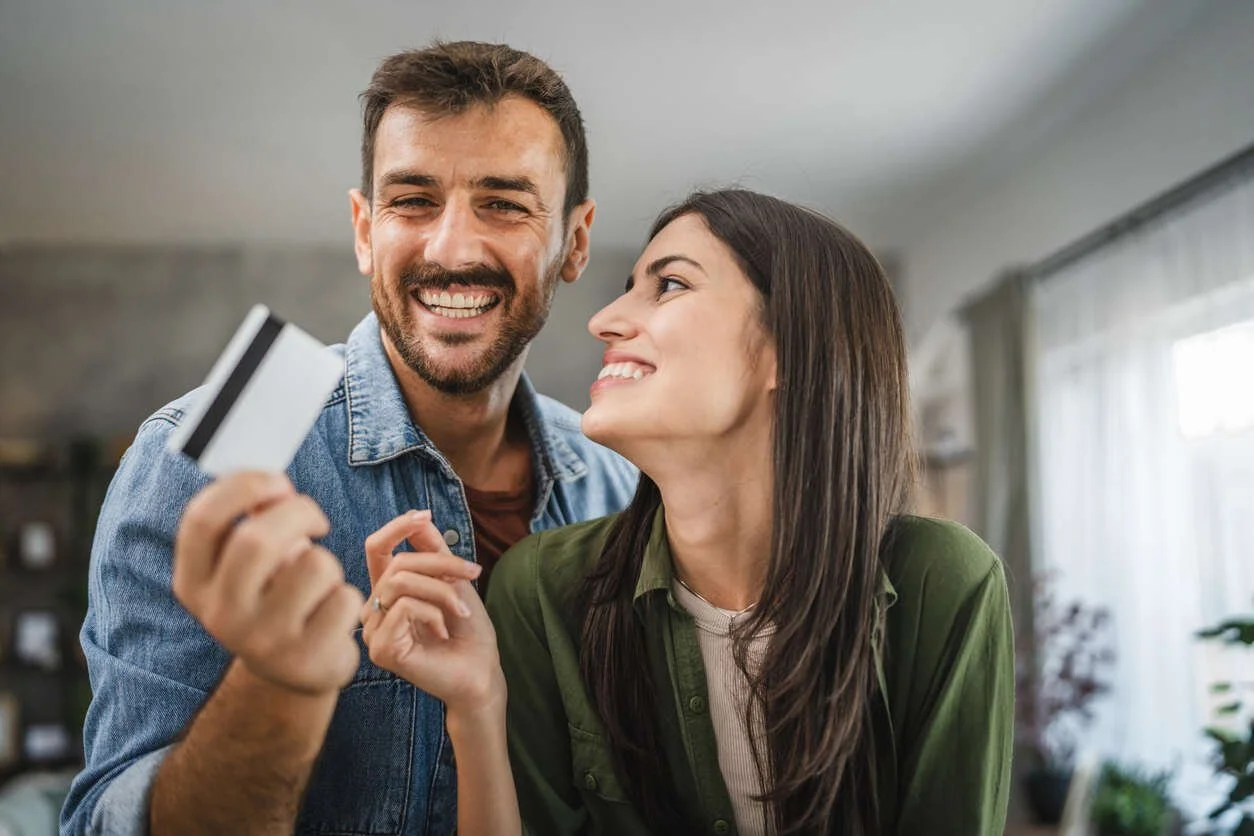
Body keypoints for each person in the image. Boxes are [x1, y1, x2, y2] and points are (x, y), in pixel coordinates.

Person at [61, 42, 637, 836]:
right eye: (412, 201)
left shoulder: (622, 486)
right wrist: (277, 681)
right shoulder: (193, 455)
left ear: (575, 241)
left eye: (504, 203)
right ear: (365, 229)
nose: (452, 249)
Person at [366, 189, 1015, 835]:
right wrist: (476, 705)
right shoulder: (541, 591)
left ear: (788, 346)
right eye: (629, 286)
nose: (605, 319)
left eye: (670, 284)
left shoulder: (945, 585)